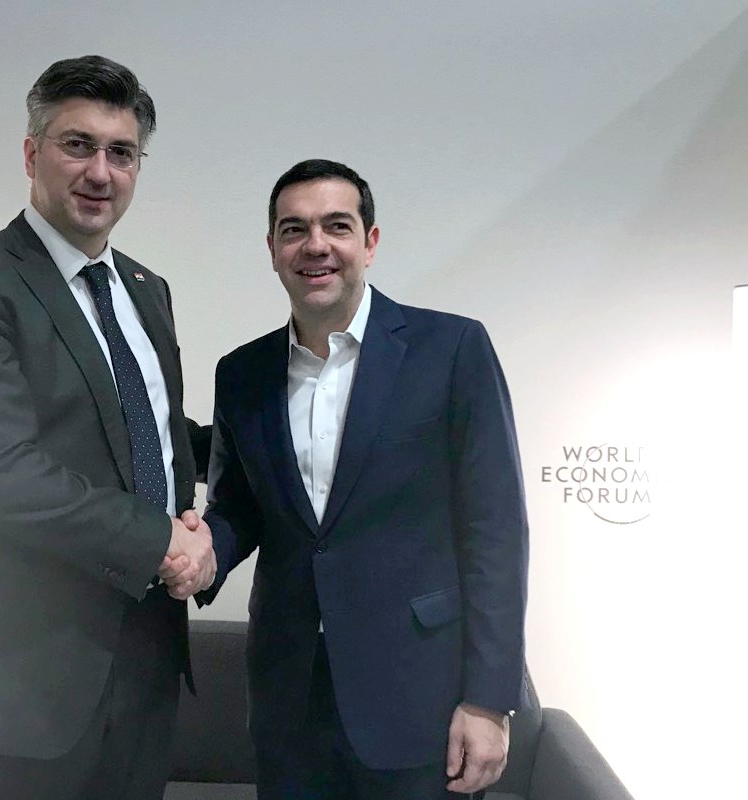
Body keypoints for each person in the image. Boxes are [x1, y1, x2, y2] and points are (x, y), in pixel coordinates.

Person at [0, 55, 215, 800]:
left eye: (122, 152)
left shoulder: (146, 289)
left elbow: (147, 435)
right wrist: (162, 541)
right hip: (20, 673)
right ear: (32, 154)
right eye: (78, 145)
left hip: (146, 658)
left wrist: (266, 440)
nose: (100, 171)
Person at [183, 159, 529, 799]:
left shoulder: (451, 349)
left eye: (336, 226)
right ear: (272, 249)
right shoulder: (242, 372)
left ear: (369, 242)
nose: (315, 245)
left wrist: (488, 700)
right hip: (288, 697)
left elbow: (496, 531)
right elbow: (240, 506)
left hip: (419, 693)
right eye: (294, 229)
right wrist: (204, 553)